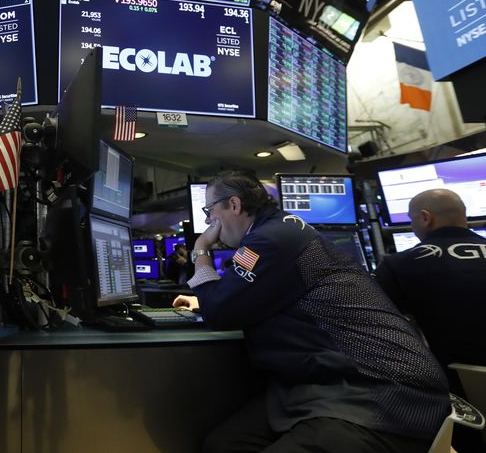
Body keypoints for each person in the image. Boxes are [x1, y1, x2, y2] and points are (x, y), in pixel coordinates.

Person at [173, 171, 449, 453]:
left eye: (210, 211)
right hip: (333, 386)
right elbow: (252, 295)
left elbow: (219, 311)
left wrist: (201, 249)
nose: (209, 221)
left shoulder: (270, 239)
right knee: (224, 444)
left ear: (233, 205)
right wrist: (215, 297)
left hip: (386, 397)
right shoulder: (282, 229)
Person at [375, 188, 486, 453]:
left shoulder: (399, 265)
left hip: (465, 400)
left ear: (425, 218)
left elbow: (377, 327)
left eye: (412, 221)